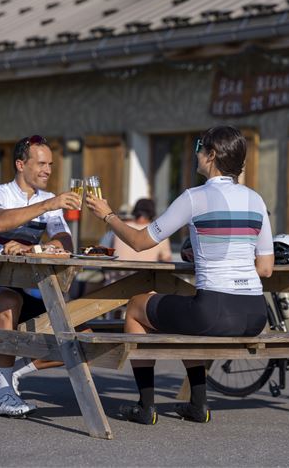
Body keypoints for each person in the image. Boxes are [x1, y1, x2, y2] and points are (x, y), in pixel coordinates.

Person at [85, 125, 274, 425]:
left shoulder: (194, 197)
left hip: (214, 312)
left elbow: (140, 241)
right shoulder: (256, 200)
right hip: (254, 314)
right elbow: (265, 268)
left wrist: (108, 216)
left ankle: (145, 407)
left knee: (136, 306)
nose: (195, 153)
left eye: (199, 146)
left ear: (211, 155)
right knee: (187, 307)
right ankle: (197, 405)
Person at [0, 134, 81, 417]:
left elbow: (65, 242)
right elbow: (0, 222)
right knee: (9, 300)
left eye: (50, 164)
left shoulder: (49, 199)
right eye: (40, 164)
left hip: (28, 291)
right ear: (20, 164)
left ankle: (11, 372)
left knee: (81, 334)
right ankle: (4, 395)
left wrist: (36, 247)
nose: (48, 170)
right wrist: (47, 206)